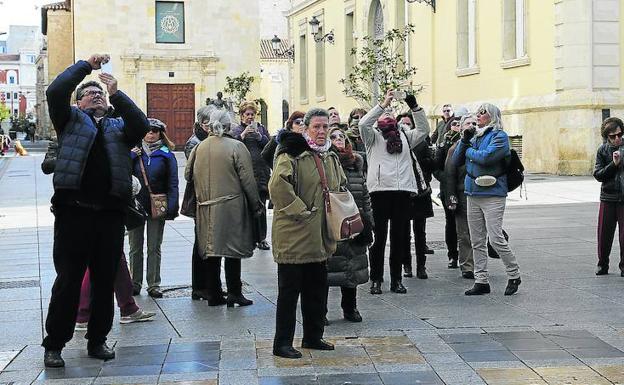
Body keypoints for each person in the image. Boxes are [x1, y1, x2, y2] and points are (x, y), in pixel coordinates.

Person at [42, 54, 149, 368]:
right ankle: (55, 344)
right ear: (78, 103)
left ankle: (98, 339)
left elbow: (141, 124)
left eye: (100, 93)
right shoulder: (69, 122)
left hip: (109, 215)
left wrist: (117, 92)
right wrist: (85, 67)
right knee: (68, 281)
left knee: (104, 281)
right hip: (73, 213)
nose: (97, 95)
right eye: (90, 93)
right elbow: (55, 92)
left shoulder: (119, 126)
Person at [39, 144, 156, 327]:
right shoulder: (63, 138)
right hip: (75, 208)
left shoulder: (106, 133)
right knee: (91, 261)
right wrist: (78, 158)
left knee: (116, 257)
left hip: (105, 205)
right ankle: (83, 313)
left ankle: (127, 308)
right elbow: (47, 166)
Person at [269, 108, 346, 359]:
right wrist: (302, 210)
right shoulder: (292, 154)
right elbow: (277, 186)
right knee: (289, 293)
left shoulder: (329, 157)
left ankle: (313, 336)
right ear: (306, 128)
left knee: (317, 291)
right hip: (294, 236)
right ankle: (282, 343)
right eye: (316, 127)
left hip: (320, 236)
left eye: (325, 127)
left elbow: (339, 186)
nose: (322, 131)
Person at [185, 109, 263, 308]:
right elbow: (248, 179)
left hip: (205, 207)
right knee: (232, 249)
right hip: (231, 206)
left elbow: (187, 175)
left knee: (211, 250)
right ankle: (235, 292)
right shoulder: (236, 146)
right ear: (229, 126)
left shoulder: (199, 148)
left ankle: (214, 294)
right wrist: (256, 204)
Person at [359, 90, 430, 295]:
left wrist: (413, 105)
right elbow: (363, 123)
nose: (388, 112)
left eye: (391, 110)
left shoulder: (406, 135)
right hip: (380, 192)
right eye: (384, 112)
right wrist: (383, 103)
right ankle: (376, 280)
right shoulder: (372, 136)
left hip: (403, 192)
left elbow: (424, 129)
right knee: (379, 238)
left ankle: (397, 280)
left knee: (399, 238)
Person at [452, 103, 521, 296]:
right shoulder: (473, 136)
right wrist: (465, 141)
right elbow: (456, 161)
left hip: (493, 193)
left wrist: (467, 151)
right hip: (473, 192)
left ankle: (514, 274)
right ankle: (481, 280)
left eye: (483, 112)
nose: (479, 116)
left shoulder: (500, 136)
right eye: (478, 112)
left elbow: (486, 158)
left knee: (496, 238)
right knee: (477, 240)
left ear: (492, 116)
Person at [326, 127, 373, 323]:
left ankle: (350, 308)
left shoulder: (356, 164)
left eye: (342, 137)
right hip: (333, 221)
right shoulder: (324, 162)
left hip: (355, 220)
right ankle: (321, 312)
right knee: (328, 269)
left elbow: (364, 194)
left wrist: (369, 222)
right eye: (334, 136)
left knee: (352, 267)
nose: (339, 139)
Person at [129, 118, 179, 298]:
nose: (150, 134)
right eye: (147, 130)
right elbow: (122, 173)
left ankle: (153, 284)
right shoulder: (134, 151)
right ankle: (134, 283)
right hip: (136, 206)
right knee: (135, 246)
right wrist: (131, 157)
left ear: (160, 133)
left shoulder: (166, 154)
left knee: (154, 246)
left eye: (155, 131)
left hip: (158, 205)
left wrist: (172, 206)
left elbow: (173, 182)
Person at [185, 105, 227, 303]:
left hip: (211, 198)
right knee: (202, 244)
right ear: (204, 123)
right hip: (202, 199)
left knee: (209, 243)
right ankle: (201, 287)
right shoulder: (196, 143)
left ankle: (210, 285)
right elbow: (193, 173)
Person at [397, 112, 434, 280]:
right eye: (402, 123)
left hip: (420, 192)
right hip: (403, 193)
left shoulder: (421, 142)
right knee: (403, 232)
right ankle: (406, 264)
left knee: (420, 232)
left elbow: (429, 164)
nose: (405, 126)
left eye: (408, 123)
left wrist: (423, 179)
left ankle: (421, 266)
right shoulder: (394, 142)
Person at [231, 102, 272, 250]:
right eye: (247, 114)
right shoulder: (237, 130)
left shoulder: (261, 129)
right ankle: (248, 238)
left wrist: (260, 136)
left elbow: (269, 146)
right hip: (244, 175)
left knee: (261, 206)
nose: (250, 117)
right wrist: (243, 134)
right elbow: (232, 147)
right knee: (246, 207)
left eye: (252, 114)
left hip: (260, 173)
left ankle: (261, 238)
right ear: (241, 116)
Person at [445, 114, 477, 278]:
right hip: (462, 193)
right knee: (464, 233)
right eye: (468, 123)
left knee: (480, 232)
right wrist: (451, 196)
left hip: (480, 193)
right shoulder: (455, 148)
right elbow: (449, 174)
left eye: (474, 123)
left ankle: (480, 264)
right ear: (462, 127)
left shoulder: (483, 145)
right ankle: (467, 266)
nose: (472, 125)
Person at [593, 117, 624, 276]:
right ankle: (602, 263)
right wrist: (614, 164)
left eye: (619, 135)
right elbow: (598, 174)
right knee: (604, 233)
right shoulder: (602, 150)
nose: (617, 139)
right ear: (606, 137)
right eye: (613, 136)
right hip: (608, 197)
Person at [434, 116, 462, 269]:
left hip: (464, 188)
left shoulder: (469, 142)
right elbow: (436, 168)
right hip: (448, 190)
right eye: (454, 124)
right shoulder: (444, 144)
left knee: (465, 224)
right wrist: (447, 178)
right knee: (451, 223)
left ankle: (466, 255)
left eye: (460, 124)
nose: (457, 126)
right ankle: (453, 255)